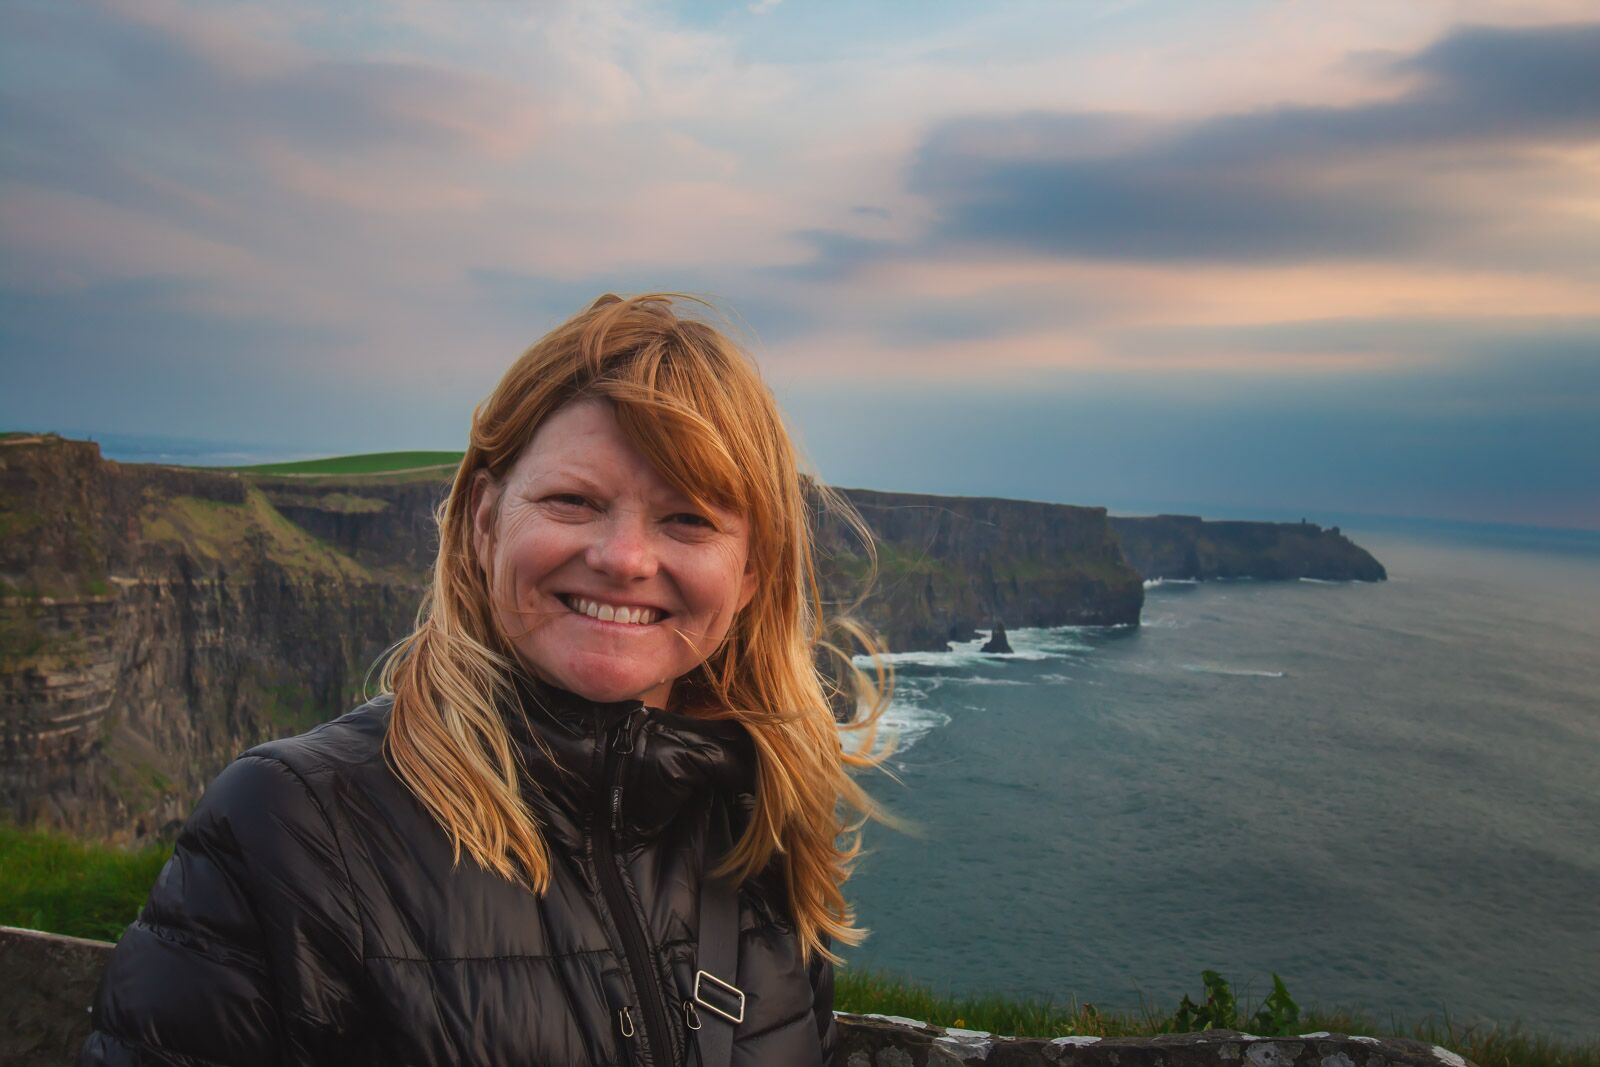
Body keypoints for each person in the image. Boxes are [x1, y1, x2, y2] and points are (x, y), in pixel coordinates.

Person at [81, 293, 890, 1066]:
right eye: (574, 500)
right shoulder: (291, 830)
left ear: (750, 572)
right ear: (482, 521)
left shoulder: (756, 831)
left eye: (688, 518)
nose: (624, 558)